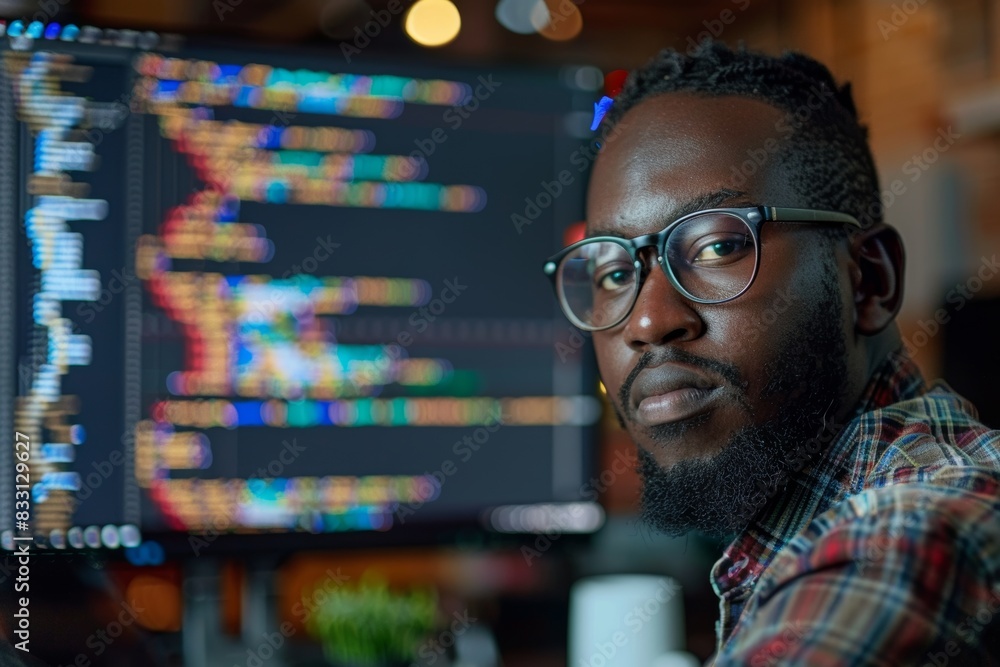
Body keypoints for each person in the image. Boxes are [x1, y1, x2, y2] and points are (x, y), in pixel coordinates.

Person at [544, 40, 1000, 664]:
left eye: (715, 247)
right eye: (616, 273)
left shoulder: (911, 534)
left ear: (868, 280)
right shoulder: (794, 531)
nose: (648, 321)